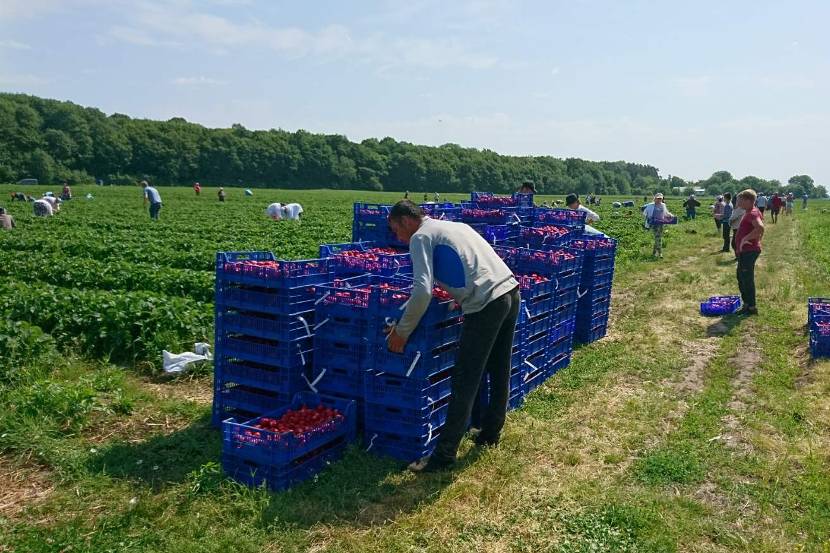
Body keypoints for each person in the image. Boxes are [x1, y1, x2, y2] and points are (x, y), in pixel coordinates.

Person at [386, 200, 520, 472]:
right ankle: (490, 434)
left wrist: (401, 331)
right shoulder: (452, 225)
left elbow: (422, 292)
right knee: (499, 368)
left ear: (407, 221)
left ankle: (444, 455)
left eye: (396, 230)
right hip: (510, 291)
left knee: (465, 380)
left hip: (485, 304)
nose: (397, 237)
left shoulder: (421, 236)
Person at [734, 189, 765, 315]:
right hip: (745, 251)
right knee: (741, 277)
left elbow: (760, 228)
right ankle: (746, 304)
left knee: (746, 278)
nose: (738, 202)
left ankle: (751, 307)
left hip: (749, 251)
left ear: (748, 200)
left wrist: (745, 239)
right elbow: (760, 230)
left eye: (740, 199)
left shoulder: (752, 213)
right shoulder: (749, 211)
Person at [643, 193, 673, 258]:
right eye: (658, 198)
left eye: (660, 199)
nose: (659, 200)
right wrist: (648, 217)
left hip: (661, 223)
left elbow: (665, 213)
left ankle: (654, 253)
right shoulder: (650, 205)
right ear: (655, 199)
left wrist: (670, 215)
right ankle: (660, 253)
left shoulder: (663, 205)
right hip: (653, 223)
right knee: (658, 238)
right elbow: (644, 212)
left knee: (658, 238)